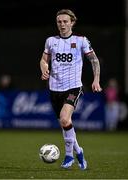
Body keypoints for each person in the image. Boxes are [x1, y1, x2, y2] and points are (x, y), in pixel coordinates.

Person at [40, 9, 102, 170]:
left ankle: (69, 157)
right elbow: (43, 59)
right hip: (54, 88)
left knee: (65, 119)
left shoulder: (81, 40)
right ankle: (79, 152)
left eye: (65, 21)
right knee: (65, 123)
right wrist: (44, 69)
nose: (62, 24)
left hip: (73, 86)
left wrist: (96, 80)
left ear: (72, 22)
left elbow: (94, 60)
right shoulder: (51, 41)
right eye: (59, 21)